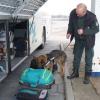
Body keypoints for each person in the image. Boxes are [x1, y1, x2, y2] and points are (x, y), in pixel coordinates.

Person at [66, 3, 99, 84]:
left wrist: (84, 31)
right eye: (76, 12)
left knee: (88, 59)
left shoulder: (92, 17)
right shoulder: (73, 13)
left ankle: (87, 76)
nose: (77, 14)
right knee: (76, 57)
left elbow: (96, 29)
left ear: (84, 12)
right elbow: (71, 24)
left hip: (89, 40)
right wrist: (69, 32)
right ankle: (75, 73)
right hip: (78, 40)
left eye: (79, 14)